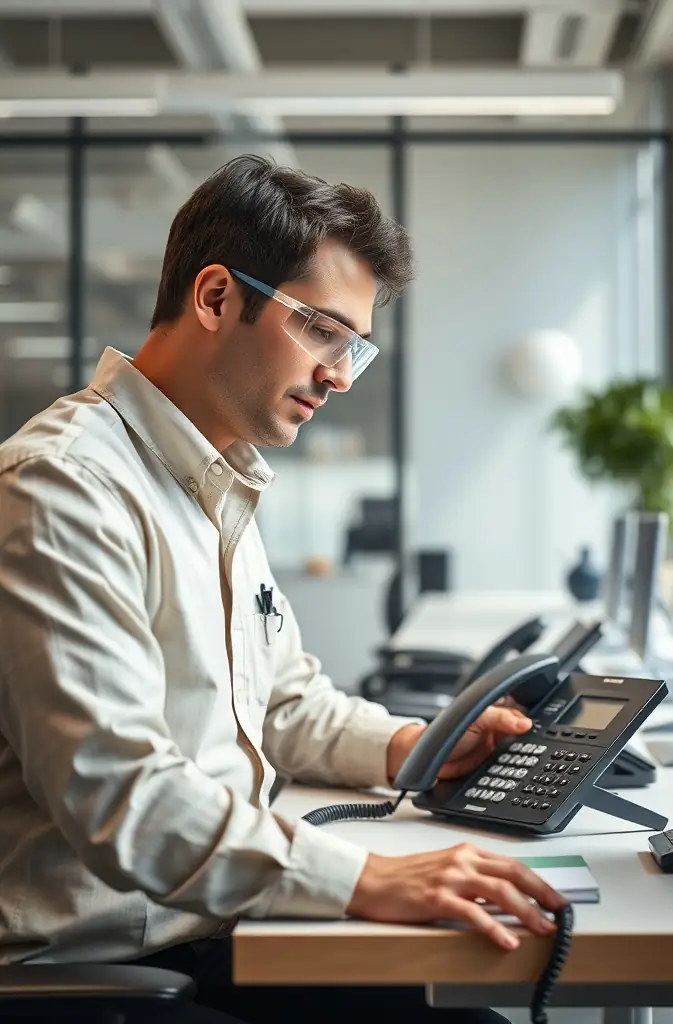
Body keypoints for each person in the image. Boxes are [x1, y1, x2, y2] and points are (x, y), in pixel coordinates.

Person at [0, 156, 566, 1023]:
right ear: (216, 297)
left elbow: (282, 703)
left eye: (354, 347)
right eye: (322, 331)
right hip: (108, 970)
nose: (340, 375)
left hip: (211, 929)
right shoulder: (63, 488)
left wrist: (418, 746)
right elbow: (121, 795)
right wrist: (367, 878)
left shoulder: (212, 480)